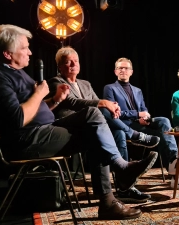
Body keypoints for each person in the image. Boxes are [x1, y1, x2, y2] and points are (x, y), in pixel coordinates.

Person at [0, 24, 158, 220]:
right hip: (27, 140)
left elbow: (35, 108)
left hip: (43, 130)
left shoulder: (14, 71)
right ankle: (116, 184)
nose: (29, 52)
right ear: (7, 53)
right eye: (24, 48)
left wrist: (54, 100)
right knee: (95, 131)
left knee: (93, 117)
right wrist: (39, 94)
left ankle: (117, 179)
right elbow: (18, 118)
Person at [47, 46, 160, 203]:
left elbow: (97, 104)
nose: (73, 64)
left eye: (76, 61)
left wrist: (112, 107)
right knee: (100, 111)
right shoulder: (55, 82)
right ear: (59, 66)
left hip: (92, 127)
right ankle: (134, 136)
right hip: (70, 128)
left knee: (117, 132)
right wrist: (105, 103)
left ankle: (124, 187)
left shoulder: (85, 84)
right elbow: (72, 102)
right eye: (68, 62)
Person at [103, 57, 179, 189]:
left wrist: (146, 117)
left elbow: (144, 109)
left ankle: (176, 170)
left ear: (131, 72)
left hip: (140, 124)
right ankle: (176, 175)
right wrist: (137, 115)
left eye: (126, 68)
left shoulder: (137, 90)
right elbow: (113, 112)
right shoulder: (110, 88)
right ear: (115, 71)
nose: (123, 70)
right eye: (120, 68)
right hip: (125, 126)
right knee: (159, 133)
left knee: (164, 122)